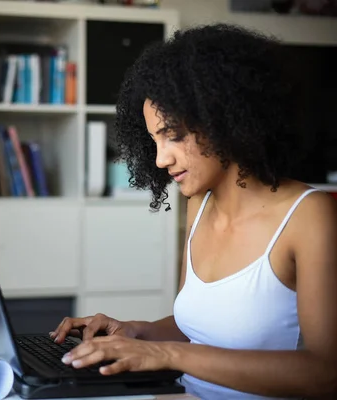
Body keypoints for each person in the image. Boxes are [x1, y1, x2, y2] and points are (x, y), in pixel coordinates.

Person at [50, 23, 337, 399]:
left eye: (174, 135)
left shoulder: (309, 216)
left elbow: (326, 375)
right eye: (154, 139)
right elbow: (200, 329)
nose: (160, 158)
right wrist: (135, 332)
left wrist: (164, 353)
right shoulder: (199, 205)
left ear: (223, 118)